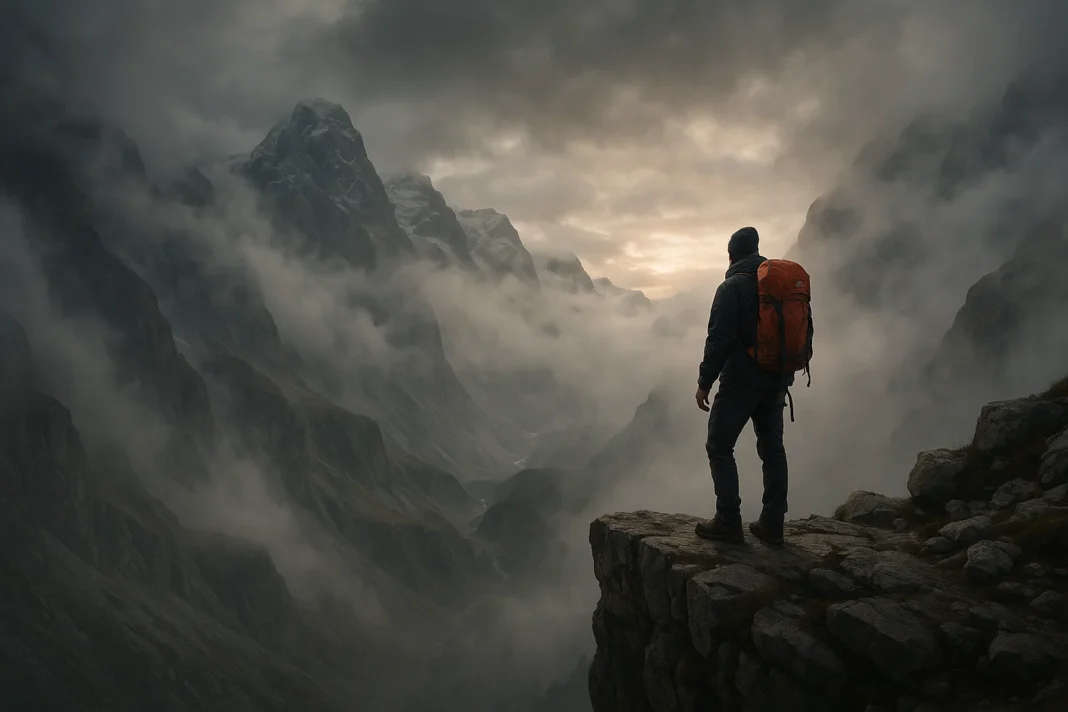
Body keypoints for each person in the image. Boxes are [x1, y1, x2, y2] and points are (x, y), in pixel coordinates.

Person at [693, 226, 790, 546]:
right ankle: (773, 522)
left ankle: (728, 520)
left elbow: (719, 338)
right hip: (776, 379)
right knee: (772, 449)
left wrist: (705, 382)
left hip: (741, 382)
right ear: (756, 250)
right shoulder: (779, 287)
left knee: (719, 446)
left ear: (731, 254)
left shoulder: (731, 287)